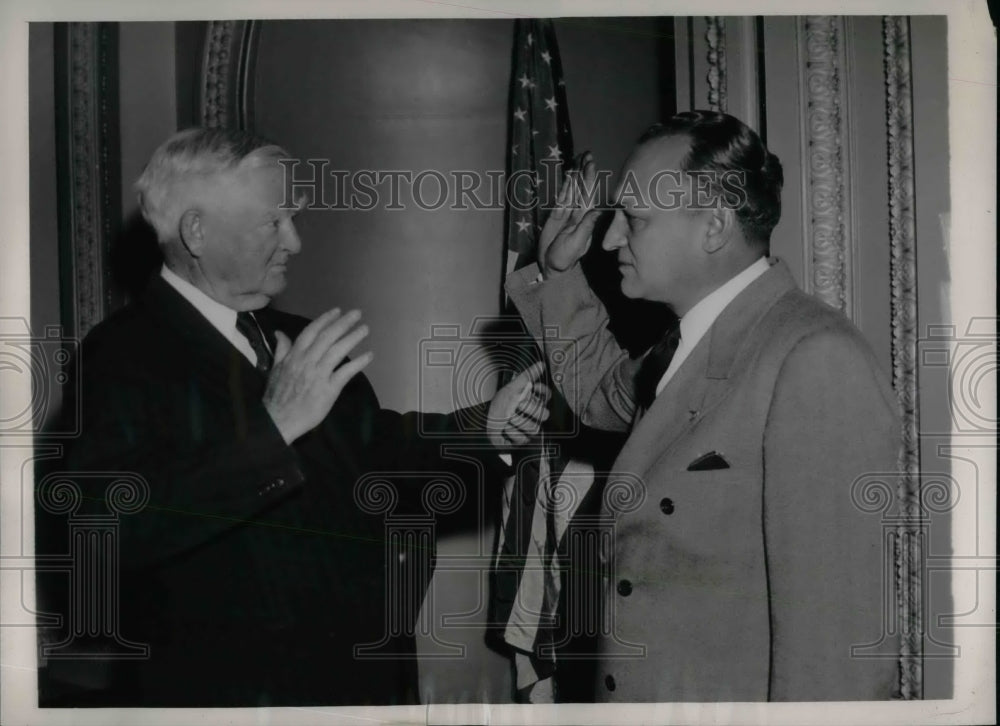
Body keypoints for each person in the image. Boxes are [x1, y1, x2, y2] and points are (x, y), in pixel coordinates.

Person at [37, 127, 549, 707]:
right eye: (275, 221)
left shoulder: (296, 336)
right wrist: (274, 426)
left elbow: (377, 443)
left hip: (362, 683)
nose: (296, 241)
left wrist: (482, 427)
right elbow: (103, 534)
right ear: (197, 231)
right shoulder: (124, 355)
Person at [505, 111, 901, 701]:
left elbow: (835, 661)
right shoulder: (683, 347)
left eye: (634, 221)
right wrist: (558, 272)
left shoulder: (814, 358)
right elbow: (596, 393)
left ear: (713, 228)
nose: (609, 239)